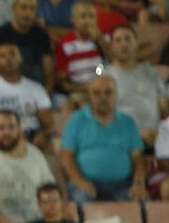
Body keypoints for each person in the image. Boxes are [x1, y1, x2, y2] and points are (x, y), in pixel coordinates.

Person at [60, 74, 146, 203]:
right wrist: (79, 181)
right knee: (80, 199)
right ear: (89, 95)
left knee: (141, 202)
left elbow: (138, 157)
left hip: (122, 185)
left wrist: (138, 182)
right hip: (86, 184)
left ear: (116, 95)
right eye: (97, 93)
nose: (103, 98)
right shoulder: (76, 120)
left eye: (108, 93)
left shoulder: (127, 122)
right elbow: (66, 155)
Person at [105, 23, 166, 140]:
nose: (124, 44)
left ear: (136, 43)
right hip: (121, 139)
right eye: (118, 40)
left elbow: (164, 107)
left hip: (154, 137)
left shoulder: (150, 72)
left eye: (128, 39)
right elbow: (103, 116)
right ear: (112, 46)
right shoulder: (106, 77)